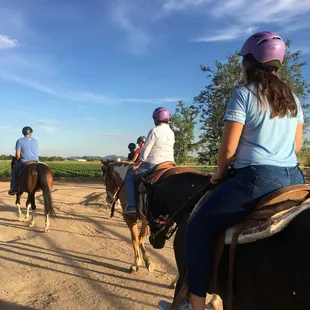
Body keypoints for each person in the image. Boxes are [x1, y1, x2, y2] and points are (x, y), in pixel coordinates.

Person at [182, 31, 305, 310]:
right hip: (295, 178)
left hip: (257, 179)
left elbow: (227, 150)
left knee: (197, 228)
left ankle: (195, 305)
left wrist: (219, 173)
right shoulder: (294, 100)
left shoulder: (243, 95)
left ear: (249, 62)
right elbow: (296, 146)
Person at [124, 107, 175, 214]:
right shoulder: (171, 132)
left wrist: (138, 163)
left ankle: (132, 206)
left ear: (156, 119)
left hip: (154, 164)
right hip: (170, 164)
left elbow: (146, 149)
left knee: (129, 176)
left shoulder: (154, 131)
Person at [9, 126, 39, 195]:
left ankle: (14, 188)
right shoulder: (35, 141)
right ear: (31, 133)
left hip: (24, 161)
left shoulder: (19, 141)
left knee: (14, 170)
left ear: (23, 133)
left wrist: (18, 160)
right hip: (36, 161)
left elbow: (17, 154)